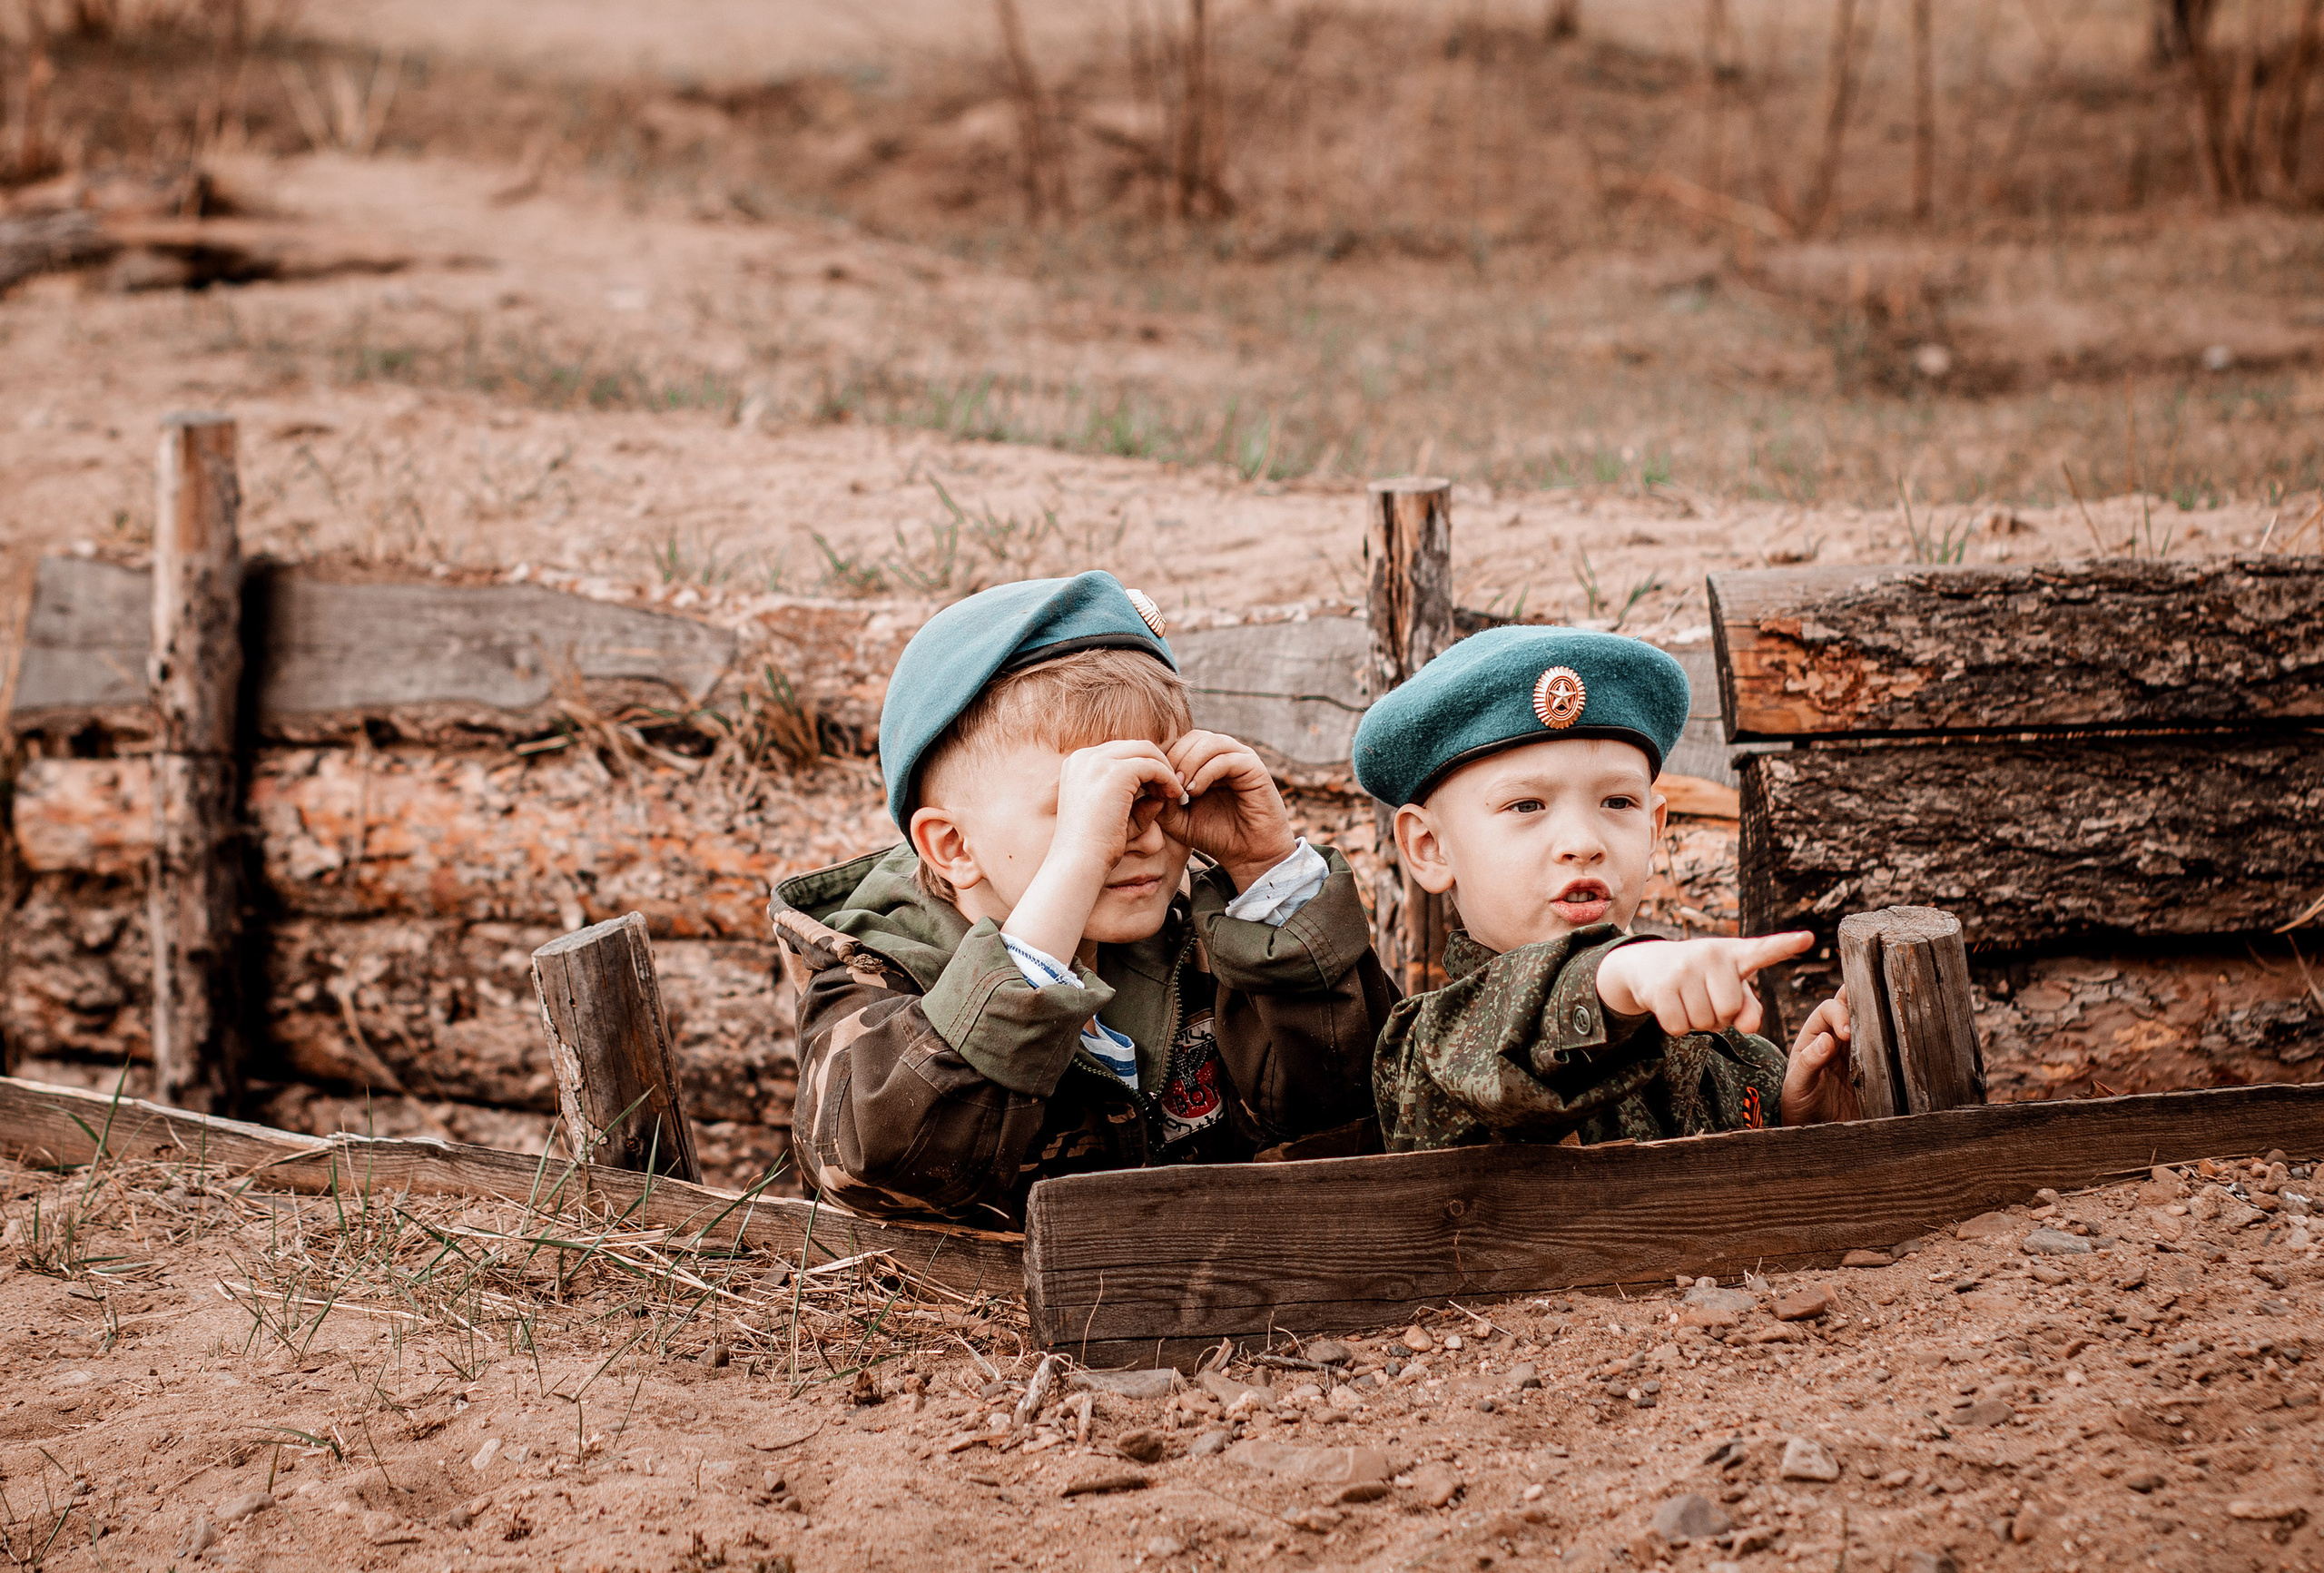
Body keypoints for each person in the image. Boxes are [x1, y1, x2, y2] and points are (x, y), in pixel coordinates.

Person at [768, 571, 1396, 1226]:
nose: (1140, 836)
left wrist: (1268, 874)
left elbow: (1359, 1105)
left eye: (1154, 789)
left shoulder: (1206, 936)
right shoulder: (874, 973)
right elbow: (874, 1160)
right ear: (953, 845)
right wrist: (1074, 866)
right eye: (1088, 806)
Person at [1351, 624, 1859, 1152]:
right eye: (1526, 805)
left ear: (1654, 830)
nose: (1584, 843)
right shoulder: (1428, 1050)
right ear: (1430, 847)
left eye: (1618, 802)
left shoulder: (1741, 1062)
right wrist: (1617, 974)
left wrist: (1807, 1125)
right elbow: (1509, 1042)